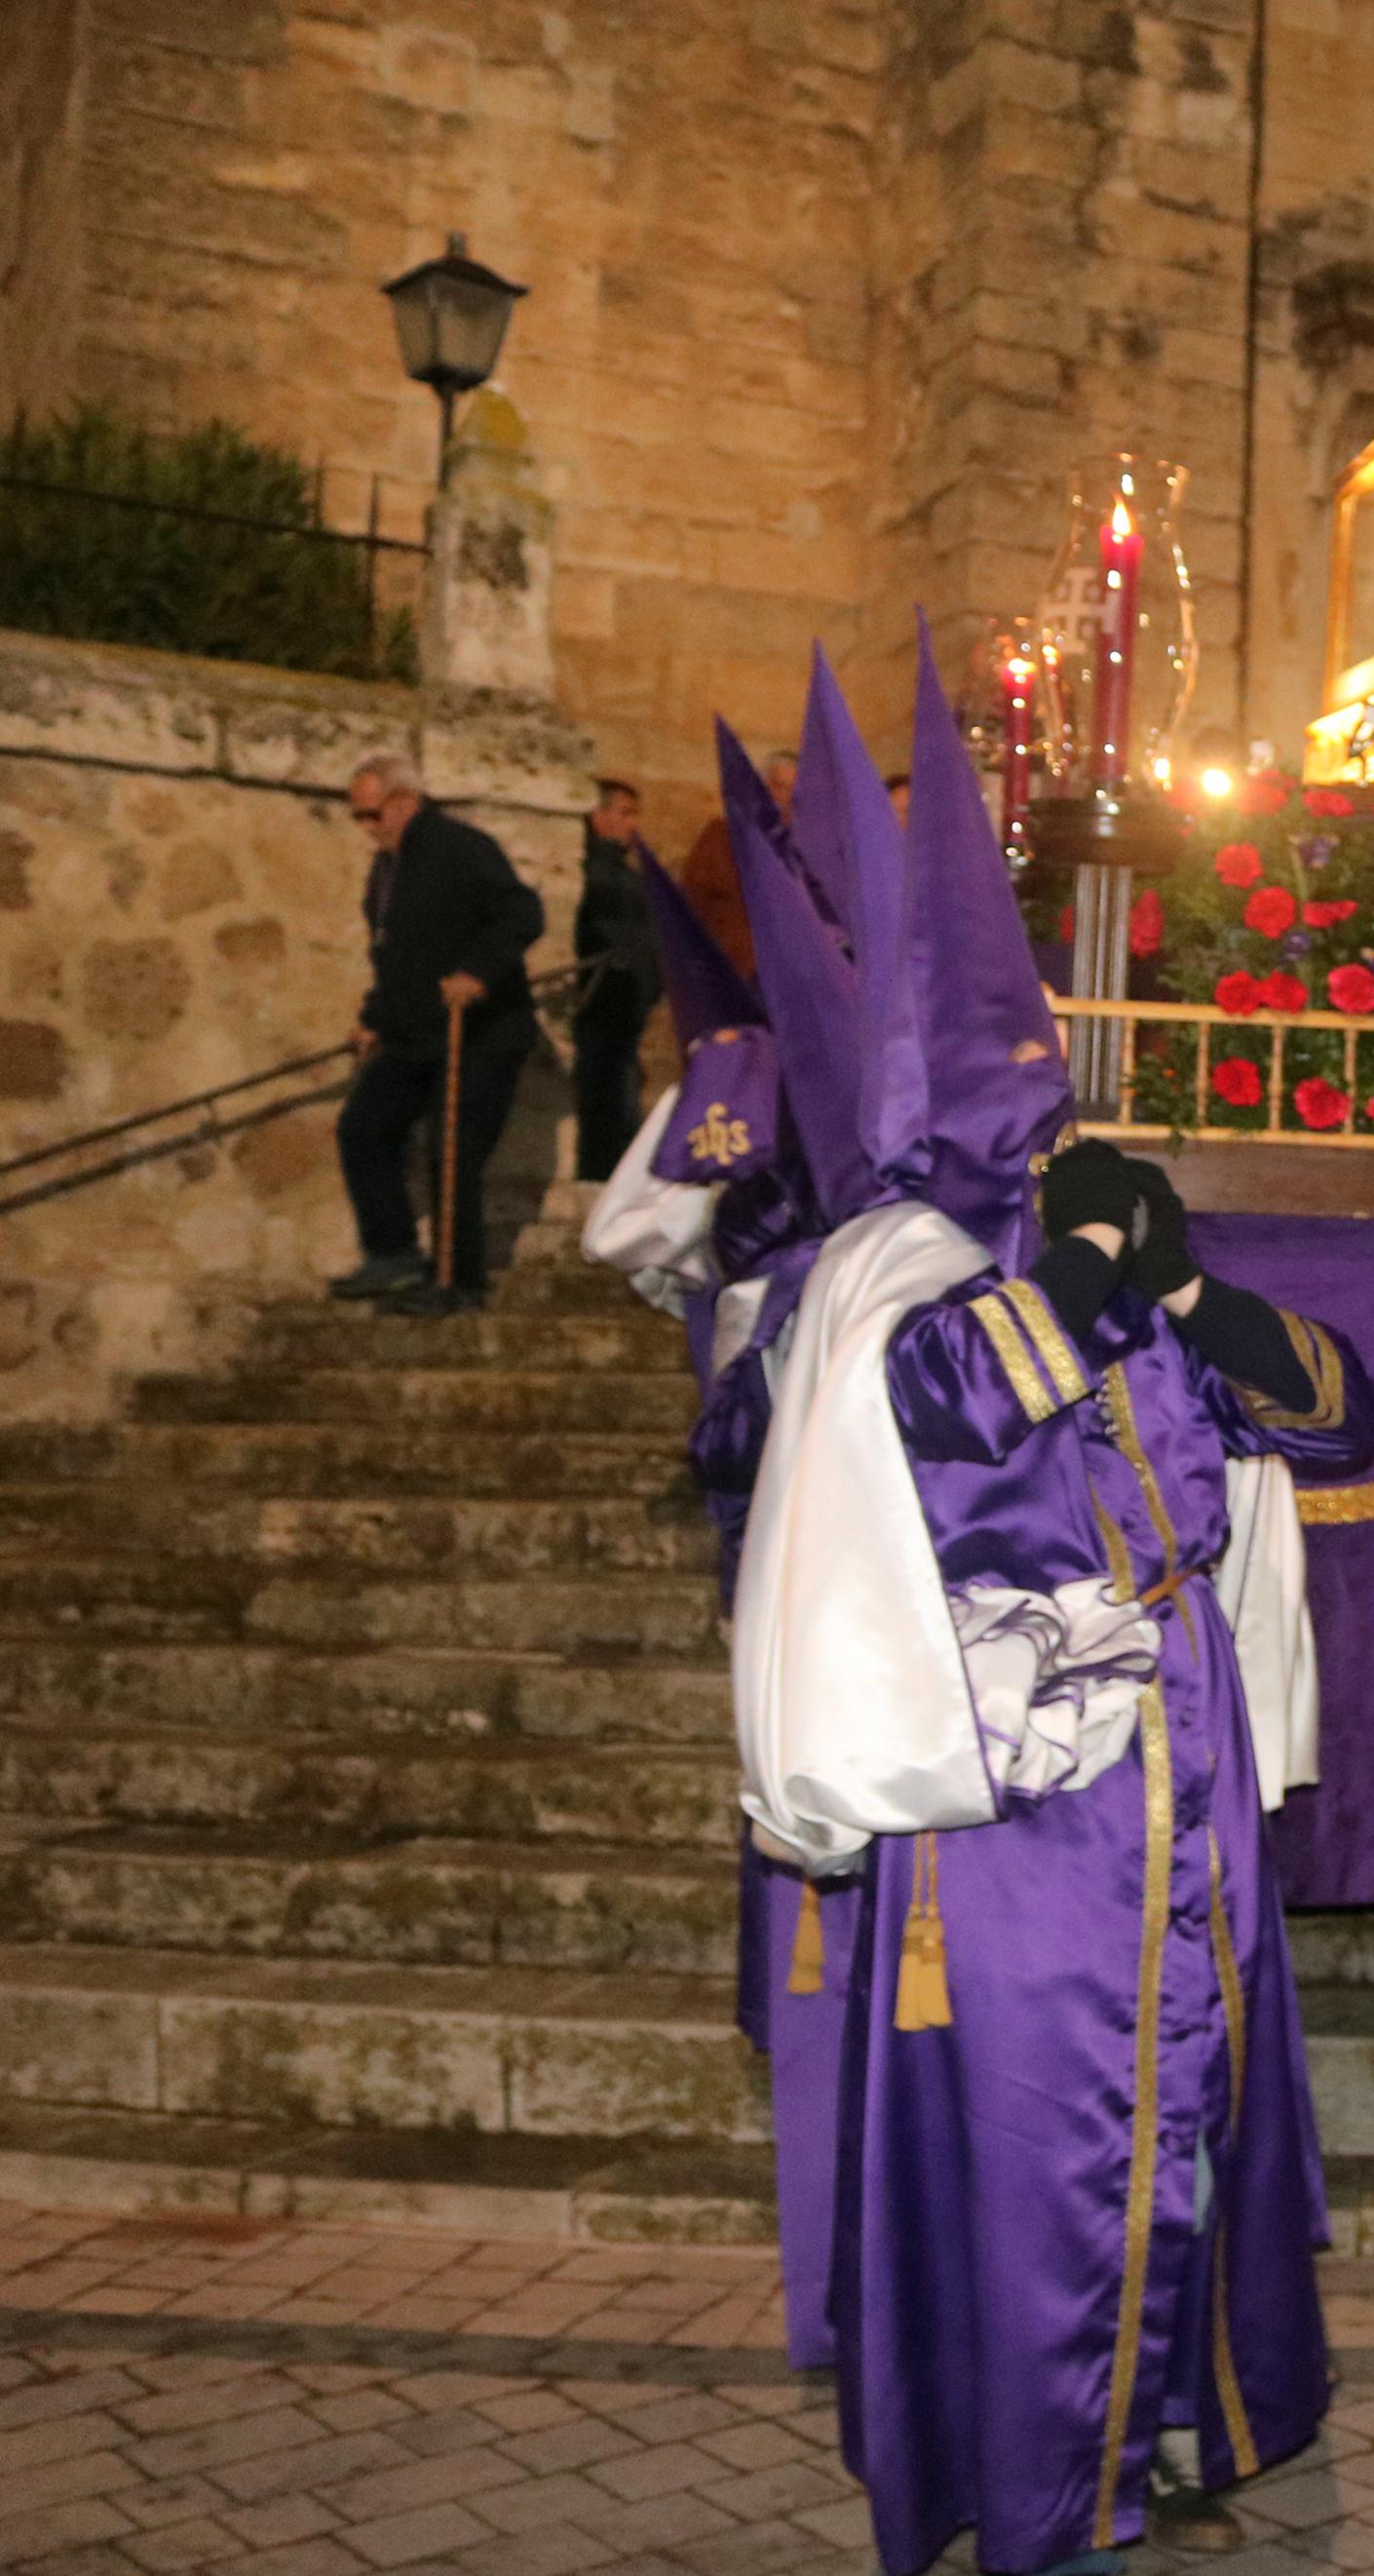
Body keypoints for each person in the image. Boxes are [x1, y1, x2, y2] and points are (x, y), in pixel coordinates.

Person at [729, 648, 1374, 2576]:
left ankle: (1172, 2415)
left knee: (1194, 2102)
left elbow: (1333, 1413)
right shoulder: (880, 1274)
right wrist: (1094, 1278)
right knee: (1048, 2143)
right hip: (1020, 1798)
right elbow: (929, 1410)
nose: (1028, 1089)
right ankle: (1046, 2503)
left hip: (1183, 1770)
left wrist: (1180, 1283)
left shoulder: (1099, 1233)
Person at [581, 735, 847, 2364]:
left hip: (777, 1408)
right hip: (894, 1421)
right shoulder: (881, 1054)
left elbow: (625, 1227)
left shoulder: (738, 1064)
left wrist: (707, 1290)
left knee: (786, 1697)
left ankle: (800, 1990)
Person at [328, 750, 545, 1317]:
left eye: (372, 815)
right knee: (363, 1127)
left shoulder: (461, 848)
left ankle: (460, 1280)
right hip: (415, 1033)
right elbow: (397, 955)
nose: (366, 829)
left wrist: (477, 972)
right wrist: (373, 1018)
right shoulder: (387, 869)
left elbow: (522, 913)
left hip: (481, 1033)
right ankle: (394, 1253)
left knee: (453, 1148)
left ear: (404, 803)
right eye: (359, 817)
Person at [571, 778, 662, 1183]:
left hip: (626, 1012)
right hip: (596, 1007)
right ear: (598, 816)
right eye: (624, 814)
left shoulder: (628, 878)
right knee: (604, 1110)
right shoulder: (589, 872)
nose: (632, 826)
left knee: (622, 1109)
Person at [677, 745, 797, 977]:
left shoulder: (803, 851)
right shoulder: (721, 836)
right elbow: (691, 902)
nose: (786, 799)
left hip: (786, 979)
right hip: (729, 972)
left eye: (794, 792)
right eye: (780, 787)